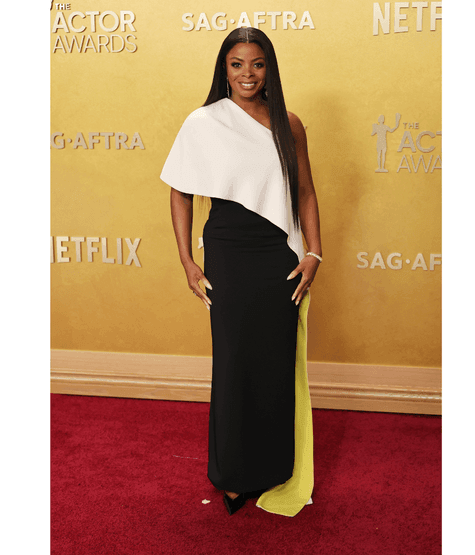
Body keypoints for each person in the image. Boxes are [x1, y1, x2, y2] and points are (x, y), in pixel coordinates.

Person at [160, 26, 323, 517]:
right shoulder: (202, 122)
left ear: (269, 68)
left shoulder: (289, 123)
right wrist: (188, 260)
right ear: (223, 68)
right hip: (228, 254)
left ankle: (274, 470)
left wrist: (314, 252)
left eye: (257, 64)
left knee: (275, 362)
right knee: (233, 364)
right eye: (237, 64)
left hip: (279, 256)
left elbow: (307, 192)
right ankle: (231, 476)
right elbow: (179, 191)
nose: (247, 74)